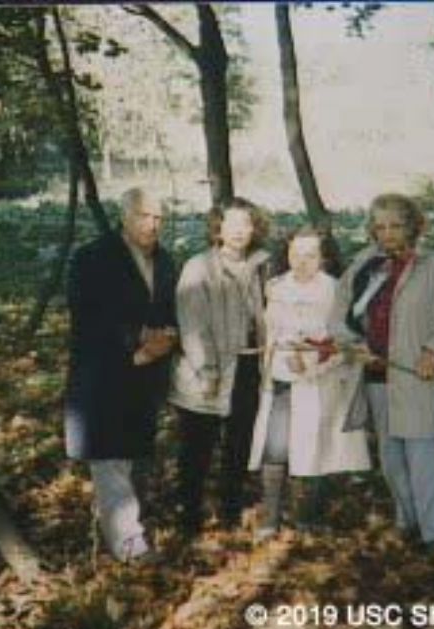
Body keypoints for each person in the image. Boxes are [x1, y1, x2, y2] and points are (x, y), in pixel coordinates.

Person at [330, 193, 434, 552]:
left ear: (412, 226)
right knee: (391, 457)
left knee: (423, 454)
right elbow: (338, 318)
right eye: (380, 227)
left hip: (417, 376)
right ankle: (407, 519)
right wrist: (353, 344)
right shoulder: (363, 265)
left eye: (395, 225)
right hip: (376, 375)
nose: (388, 234)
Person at [64, 187, 177, 563]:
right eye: (144, 216)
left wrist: (168, 339)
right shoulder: (92, 258)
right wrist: (140, 340)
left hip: (146, 378)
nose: (153, 224)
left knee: (134, 455)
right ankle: (129, 545)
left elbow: (170, 309)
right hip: (103, 374)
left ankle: (122, 525)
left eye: (159, 217)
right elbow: (88, 315)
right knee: (110, 457)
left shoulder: (166, 262)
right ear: (124, 216)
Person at [248, 226, 371, 541]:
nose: (301, 262)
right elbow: (271, 335)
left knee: (319, 446)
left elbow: (346, 343)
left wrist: (314, 361)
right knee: (275, 447)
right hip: (282, 382)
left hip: (322, 385)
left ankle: (309, 518)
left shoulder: (336, 291)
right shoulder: (275, 287)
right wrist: (277, 361)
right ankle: (270, 518)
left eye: (310, 255)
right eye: (295, 254)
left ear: (323, 257)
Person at [169, 197, 271, 536]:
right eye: (232, 223)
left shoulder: (261, 266)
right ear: (218, 228)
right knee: (198, 445)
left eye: (246, 223)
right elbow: (192, 324)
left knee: (239, 443)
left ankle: (229, 509)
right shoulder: (199, 268)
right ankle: (188, 514)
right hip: (207, 372)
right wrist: (207, 369)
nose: (240, 230)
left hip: (248, 365)